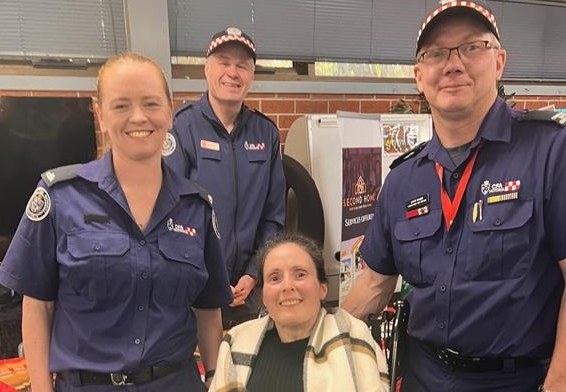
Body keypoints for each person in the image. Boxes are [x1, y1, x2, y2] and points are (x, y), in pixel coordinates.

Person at [342, 0, 566, 392]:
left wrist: (559, 385)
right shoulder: (404, 178)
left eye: (472, 47)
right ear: (419, 76)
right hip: (422, 376)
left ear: (499, 62)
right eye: (436, 54)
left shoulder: (552, 152)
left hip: (517, 380)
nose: (453, 64)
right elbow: (374, 283)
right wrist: (317, 338)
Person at [0, 52, 233, 392]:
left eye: (151, 104)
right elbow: (38, 306)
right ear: (101, 115)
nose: (138, 117)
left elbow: (208, 311)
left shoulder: (196, 207)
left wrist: (215, 380)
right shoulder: (61, 197)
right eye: (121, 105)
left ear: (170, 112)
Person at [164, 26, 286, 328]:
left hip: (250, 290)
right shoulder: (183, 127)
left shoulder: (265, 133)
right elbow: (170, 213)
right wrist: (208, 277)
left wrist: (254, 272)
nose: (233, 72)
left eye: (242, 66)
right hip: (195, 287)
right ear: (207, 69)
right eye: (224, 62)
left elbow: (273, 216)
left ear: (251, 76)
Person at [209, 231, 389, 391]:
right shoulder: (235, 343)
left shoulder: (355, 338)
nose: (287, 286)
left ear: (322, 288)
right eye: (275, 278)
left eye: (300, 274)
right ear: (263, 295)